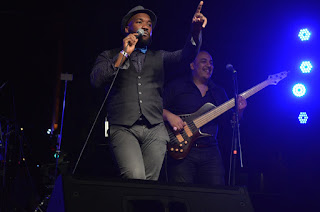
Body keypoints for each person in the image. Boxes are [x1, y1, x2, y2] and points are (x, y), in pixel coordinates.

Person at [90, 2, 207, 180]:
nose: (146, 26)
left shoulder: (159, 56)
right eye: (139, 21)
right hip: (123, 128)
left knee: (150, 185)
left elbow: (186, 55)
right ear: (127, 27)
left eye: (149, 24)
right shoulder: (109, 55)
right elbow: (96, 80)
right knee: (135, 176)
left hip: (155, 129)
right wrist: (123, 54)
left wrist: (195, 31)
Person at [163, 50, 247, 186]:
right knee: (182, 195)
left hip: (211, 151)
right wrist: (169, 115)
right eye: (204, 61)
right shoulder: (176, 86)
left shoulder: (219, 92)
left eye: (211, 63)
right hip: (181, 148)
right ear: (192, 65)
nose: (209, 65)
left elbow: (230, 123)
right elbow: (154, 109)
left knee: (215, 196)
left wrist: (240, 112)